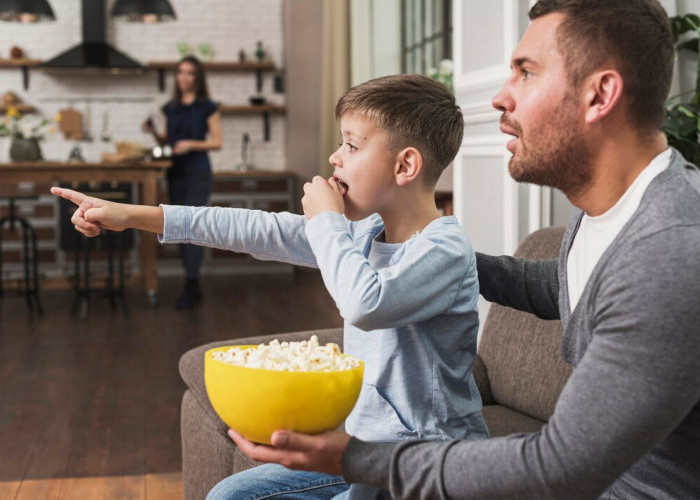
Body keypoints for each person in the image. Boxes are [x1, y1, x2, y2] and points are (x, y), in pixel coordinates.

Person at [221, 0, 700, 498]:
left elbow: (558, 468)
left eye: (526, 73)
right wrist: (434, 260)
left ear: (600, 95)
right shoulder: (616, 207)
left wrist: (355, 458)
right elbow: (562, 285)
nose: (498, 98)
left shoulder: (669, 249)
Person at [52, 74, 489, 498]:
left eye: (352, 145)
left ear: (405, 165)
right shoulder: (362, 232)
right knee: (231, 494)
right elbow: (251, 228)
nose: (335, 157)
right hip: (361, 454)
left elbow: (365, 303)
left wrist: (328, 222)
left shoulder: (443, 249)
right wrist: (131, 215)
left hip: (428, 467)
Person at [143, 55, 222, 310]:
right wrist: (153, 132)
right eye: (180, 73)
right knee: (178, 227)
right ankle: (190, 282)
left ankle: (192, 283)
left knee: (193, 228)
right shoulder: (170, 108)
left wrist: (191, 144)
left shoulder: (207, 107)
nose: (184, 77)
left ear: (197, 78)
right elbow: (167, 142)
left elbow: (217, 142)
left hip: (197, 172)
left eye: (189, 73)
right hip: (175, 173)